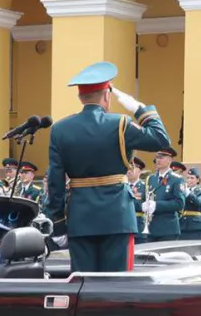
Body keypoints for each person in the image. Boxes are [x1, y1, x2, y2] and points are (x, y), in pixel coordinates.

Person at [45, 61, 172, 272]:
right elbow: (160, 140)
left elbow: (55, 179)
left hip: (80, 216)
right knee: (117, 284)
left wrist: (57, 222)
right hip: (117, 215)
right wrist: (142, 110)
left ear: (80, 97)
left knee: (83, 283)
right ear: (106, 95)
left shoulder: (60, 129)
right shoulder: (120, 123)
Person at [143, 147, 185, 242]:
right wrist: (144, 204)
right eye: (157, 157)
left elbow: (179, 203)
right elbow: (145, 197)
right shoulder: (151, 178)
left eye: (162, 157)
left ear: (170, 160)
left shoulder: (177, 179)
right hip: (151, 227)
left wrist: (157, 205)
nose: (158, 160)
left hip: (168, 228)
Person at [176, 163, 201, 240]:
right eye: (188, 178)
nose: (189, 180)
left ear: (198, 180)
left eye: (192, 178)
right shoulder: (183, 191)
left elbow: (199, 202)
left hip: (195, 225)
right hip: (182, 224)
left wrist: (188, 193)